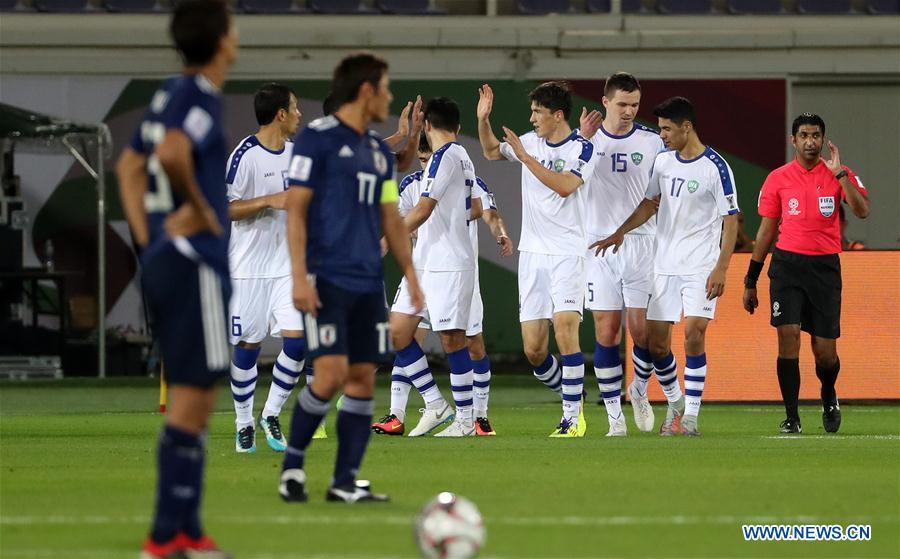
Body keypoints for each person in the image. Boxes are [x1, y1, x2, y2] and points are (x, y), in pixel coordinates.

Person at [115, 1, 237, 557]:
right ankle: (166, 535)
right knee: (193, 398)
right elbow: (171, 152)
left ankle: (185, 531)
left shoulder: (167, 92)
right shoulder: (201, 98)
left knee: (192, 396)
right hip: (196, 263)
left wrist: (150, 241)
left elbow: (129, 166)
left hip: (169, 256)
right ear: (221, 42)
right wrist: (201, 214)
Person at [279, 52, 423, 503]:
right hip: (327, 278)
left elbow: (390, 217)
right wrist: (300, 277)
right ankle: (293, 467)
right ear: (366, 91)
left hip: (366, 282)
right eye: (385, 87)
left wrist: (412, 275)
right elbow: (296, 209)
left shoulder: (377, 152)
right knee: (329, 376)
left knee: (362, 378)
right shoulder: (316, 140)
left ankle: (344, 481)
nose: (389, 96)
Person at [592, 96, 740, 437]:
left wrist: (721, 268)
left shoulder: (716, 167)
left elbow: (731, 220)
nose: (662, 136)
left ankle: (690, 416)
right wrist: (620, 232)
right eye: (660, 130)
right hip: (664, 265)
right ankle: (673, 401)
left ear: (686, 127)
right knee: (656, 345)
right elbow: (649, 204)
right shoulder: (663, 162)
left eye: (667, 129)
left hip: (700, 267)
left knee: (693, 334)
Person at [372, 135, 513, 437]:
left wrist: (498, 231)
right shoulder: (411, 185)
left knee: (472, 345)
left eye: (429, 158)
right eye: (421, 160)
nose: (426, 165)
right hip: (423, 271)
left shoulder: (466, 180)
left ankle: (478, 416)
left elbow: (489, 213)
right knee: (403, 334)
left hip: (457, 274)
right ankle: (400, 413)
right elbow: (402, 221)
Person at [477, 81, 596, 437]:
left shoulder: (582, 148)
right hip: (532, 255)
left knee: (565, 329)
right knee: (533, 350)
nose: (531, 119)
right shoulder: (528, 142)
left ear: (557, 115)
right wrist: (483, 119)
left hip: (568, 253)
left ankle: (572, 418)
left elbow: (564, 186)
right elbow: (489, 152)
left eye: (537, 113)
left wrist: (526, 158)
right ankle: (571, 394)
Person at [742, 113, 869, 434]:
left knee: (825, 353)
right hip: (787, 267)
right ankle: (792, 417)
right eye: (804, 136)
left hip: (825, 268)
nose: (810, 142)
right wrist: (750, 279)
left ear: (823, 140)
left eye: (815, 136)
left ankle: (828, 393)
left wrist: (840, 174)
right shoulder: (778, 178)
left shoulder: (839, 174)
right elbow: (766, 232)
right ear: (793, 140)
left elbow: (862, 211)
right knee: (788, 337)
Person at [226, 82, 325, 454]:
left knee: (298, 343)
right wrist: (269, 200)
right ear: (280, 114)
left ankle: (270, 413)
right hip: (249, 268)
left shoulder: (299, 155)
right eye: (296, 108)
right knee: (248, 346)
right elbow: (228, 208)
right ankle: (242, 423)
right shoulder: (245, 155)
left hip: (288, 266)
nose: (300, 115)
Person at [577, 72, 666, 436]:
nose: (629, 111)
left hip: (641, 242)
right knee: (607, 331)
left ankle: (640, 389)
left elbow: (661, 195)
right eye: (622, 104)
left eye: (634, 105)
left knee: (641, 330)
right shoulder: (586, 140)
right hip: (598, 246)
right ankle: (614, 416)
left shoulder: (652, 142)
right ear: (605, 102)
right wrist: (581, 142)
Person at [401, 97, 482, 437]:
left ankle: (464, 420)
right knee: (397, 332)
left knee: (452, 341)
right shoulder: (461, 155)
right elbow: (475, 204)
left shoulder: (443, 157)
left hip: (447, 264)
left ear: (427, 126)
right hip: (427, 262)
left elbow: (423, 209)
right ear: (458, 126)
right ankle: (436, 403)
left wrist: (388, 236)